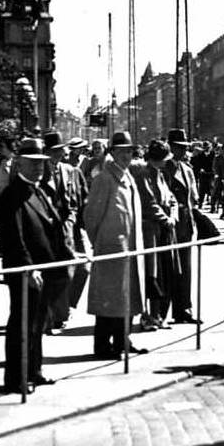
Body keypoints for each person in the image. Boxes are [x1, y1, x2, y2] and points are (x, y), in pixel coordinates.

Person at [0, 138, 74, 393]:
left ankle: (34, 370)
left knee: (38, 323)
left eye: (41, 163)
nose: (38, 168)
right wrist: (28, 269)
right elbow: (14, 237)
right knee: (22, 324)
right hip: (27, 272)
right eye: (32, 164)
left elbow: (55, 224)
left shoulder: (40, 189)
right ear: (19, 164)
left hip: (46, 270)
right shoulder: (13, 195)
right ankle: (17, 378)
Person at [83, 131, 147, 358]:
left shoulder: (128, 177)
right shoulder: (104, 179)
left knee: (127, 297)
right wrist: (100, 242)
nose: (126, 156)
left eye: (129, 152)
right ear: (112, 153)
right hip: (112, 249)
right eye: (121, 152)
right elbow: (91, 216)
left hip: (130, 248)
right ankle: (102, 346)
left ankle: (122, 341)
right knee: (108, 301)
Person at [40, 131, 87, 335]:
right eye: (54, 152)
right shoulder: (40, 171)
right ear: (47, 152)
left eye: (61, 151)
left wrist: (72, 220)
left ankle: (66, 307)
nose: (58, 155)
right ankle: (54, 317)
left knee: (83, 268)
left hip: (69, 228)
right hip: (47, 230)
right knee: (53, 273)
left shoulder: (71, 170)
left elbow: (78, 200)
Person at [133, 140, 179, 331]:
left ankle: (158, 314)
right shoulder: (144, 173)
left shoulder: (159, 174)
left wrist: (173, 214)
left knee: (164, 272)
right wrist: (166, 219)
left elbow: (171, 197)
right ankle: (149, 316)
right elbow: (149, 202)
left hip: (164, 230)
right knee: (152, 275)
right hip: (150, 230)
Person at [166, 129, 201, 325]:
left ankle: (184, 309)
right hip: (172, 225)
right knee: (171, 269)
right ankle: (163, 311)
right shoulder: (166, 168)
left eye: (184, 148)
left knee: (185, 269)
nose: (182, 151)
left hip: (186, 225)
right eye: (179, 147)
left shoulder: (187, 169)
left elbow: (193, 197)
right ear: (170, 147)